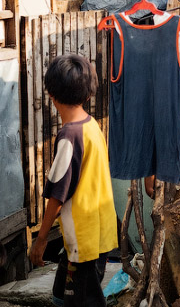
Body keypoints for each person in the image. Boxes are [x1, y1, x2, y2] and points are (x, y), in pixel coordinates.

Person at [30, 54, 117, 307]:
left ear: (51, 94)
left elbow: (58, 194)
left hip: (84, 239)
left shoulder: (70, 135)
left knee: (81, 301)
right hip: (98, 231)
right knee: (61, 296)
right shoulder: (92, 126)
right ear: (88, 94)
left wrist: (42, 239)